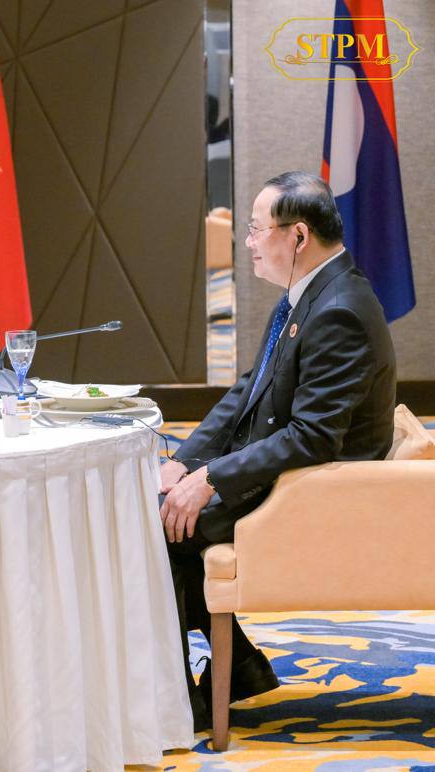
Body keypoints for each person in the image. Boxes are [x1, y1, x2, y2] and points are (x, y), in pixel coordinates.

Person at [159, 171, 396, 731]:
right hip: (291, 475)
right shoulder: (308, 293)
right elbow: (249, 390)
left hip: (318, 494)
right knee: (163, 506)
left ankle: (177, 700)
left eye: (255, 229)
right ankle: (240, 669)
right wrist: (185, 460)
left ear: (298, 235)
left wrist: (209, 479)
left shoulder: (339, 311)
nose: (247, 242)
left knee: (159, 530)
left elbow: (313, 437)